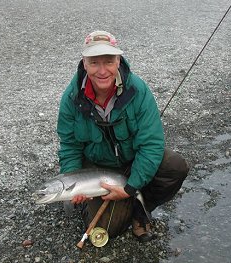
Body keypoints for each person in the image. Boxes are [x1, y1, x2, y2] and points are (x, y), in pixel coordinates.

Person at [57, 30, 189, 242]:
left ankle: (140, 211)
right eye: (94, 63)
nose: (102, 71)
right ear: (84, 63)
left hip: (131, 160)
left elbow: (151, 144)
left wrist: (129, 188)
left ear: (118, 60)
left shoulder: (138, 91)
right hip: (95, 169)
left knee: (175, 166)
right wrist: (73, 181)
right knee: (109, 230)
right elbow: (69, 146)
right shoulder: (71, 98)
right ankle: (93, 204)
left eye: (108, 61)